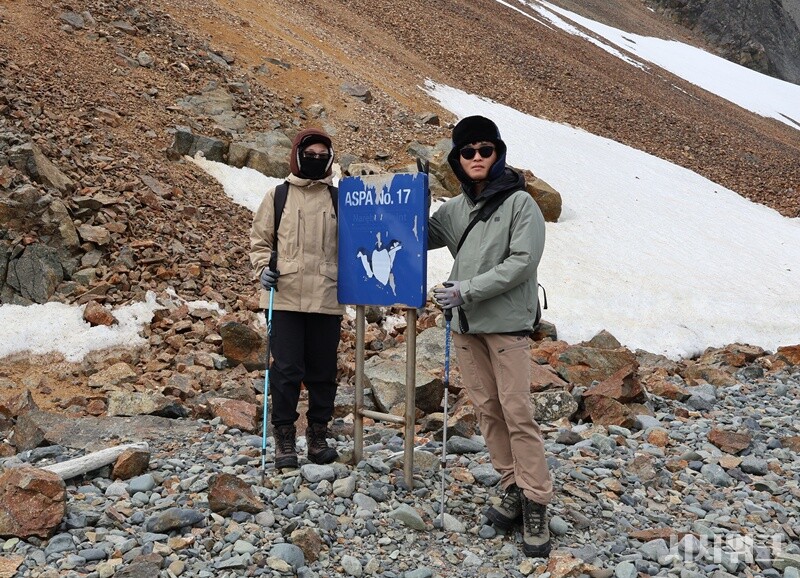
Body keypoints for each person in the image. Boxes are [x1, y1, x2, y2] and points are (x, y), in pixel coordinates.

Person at [428, 115, 553, 557]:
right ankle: (512, 486)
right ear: (457, 159)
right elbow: (416, 235)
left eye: (486, 149)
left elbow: (522, 262)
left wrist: (465, 291)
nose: (477, 157)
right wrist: (409, 200)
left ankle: (536, 501)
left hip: (506, 325)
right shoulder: (453, 210)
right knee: (487, 410)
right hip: (467, 327)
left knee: (517, 412)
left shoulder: (521, 204)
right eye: (468, 151)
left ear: (498, 153)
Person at [249, 127, 343, 470]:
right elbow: (260, 241)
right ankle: (284, 438)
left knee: (323, 371)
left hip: (327, 297)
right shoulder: (278, 196)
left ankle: (318, 437)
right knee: (286, 370)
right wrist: (262, 268)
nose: (316, 160)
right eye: (310, 155)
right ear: (297, 156)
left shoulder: (339, 199)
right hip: (284, 297)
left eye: (323, 156)